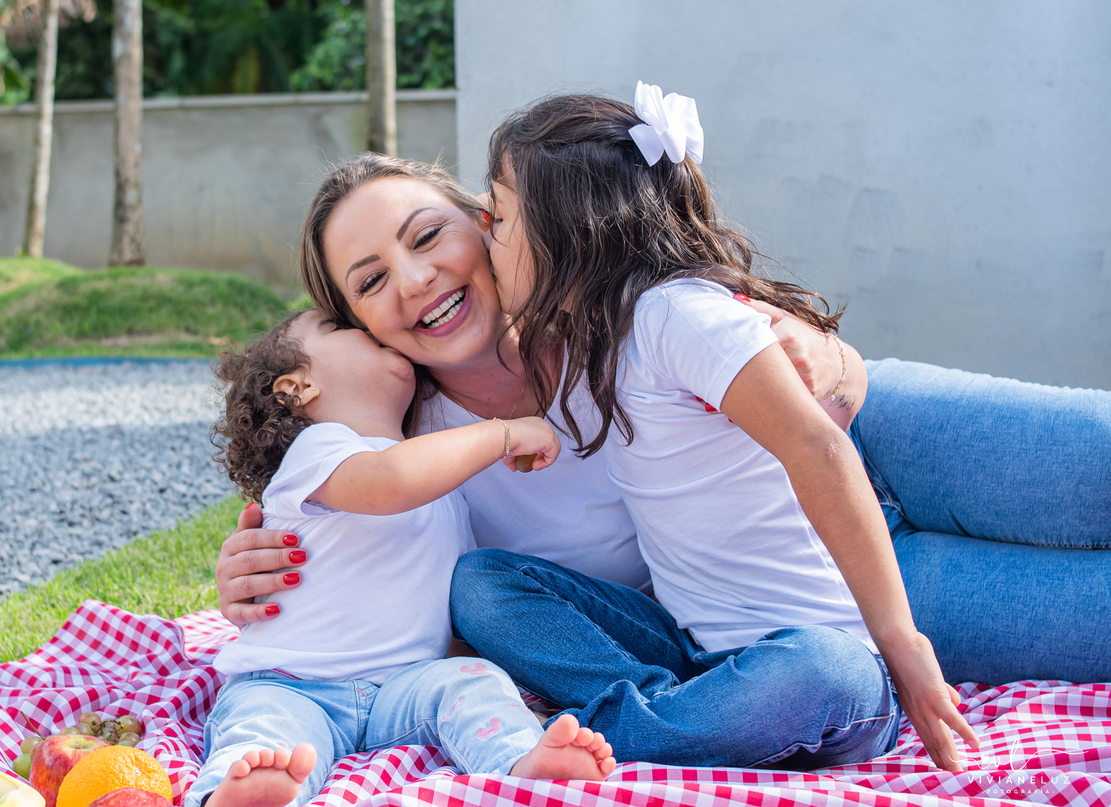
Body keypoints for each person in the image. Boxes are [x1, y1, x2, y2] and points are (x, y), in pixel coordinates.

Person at [214, 149, 1111, 769]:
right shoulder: (421, 466)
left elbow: (810, 371)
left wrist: (825, 358)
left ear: (487, 220)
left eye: (424, 235)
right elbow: (395, 591)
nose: (414, 280)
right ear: (355, 325)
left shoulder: (609, 296)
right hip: (829, 587)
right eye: (368, 280)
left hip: (883, 441)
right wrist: (250, 571)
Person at [471, 84, 980, 769]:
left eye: (499, 216)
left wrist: (902, 643)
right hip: (696, 655)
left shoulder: (678, 314)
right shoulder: (598, 340)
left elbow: (820, 446)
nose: (484, 231)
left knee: (820, 667)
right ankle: (663, 713)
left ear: (569, 229)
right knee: (482, 581)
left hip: (829, 669)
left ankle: (618, 737)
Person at [188, 308, 614, 807]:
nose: (370, 330)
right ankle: (240, 793)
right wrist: (504, 432)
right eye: (343, 329)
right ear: (297, 387)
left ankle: (520, 761)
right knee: (268, 728)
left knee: (473, 684)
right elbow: (387, 482)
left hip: (404, 688)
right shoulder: (321, 449)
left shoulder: (442, 488)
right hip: (295, 681)